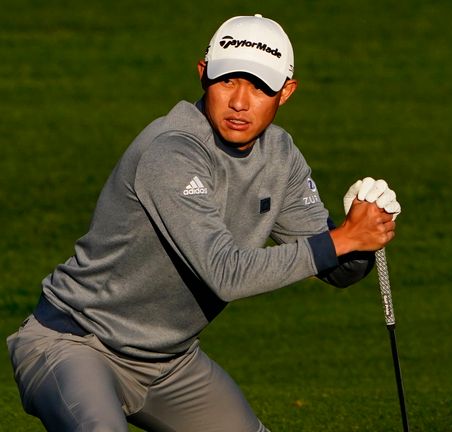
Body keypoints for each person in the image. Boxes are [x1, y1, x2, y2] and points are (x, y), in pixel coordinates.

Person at [7, 14, 401, 432]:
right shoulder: (171, 151)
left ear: (286, 92)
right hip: (73, 343)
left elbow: (337, 267)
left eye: (259, 87)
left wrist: (365, 235)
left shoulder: (281, 156)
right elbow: (226, 273)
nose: (239, 101)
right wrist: (343, 238)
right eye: (227, 80)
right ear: (203, 74)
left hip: (169, 364)